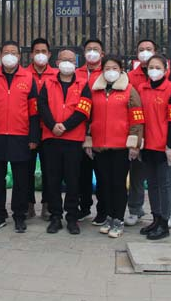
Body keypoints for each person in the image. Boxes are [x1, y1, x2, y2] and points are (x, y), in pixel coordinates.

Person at [0, 41, 41, 233]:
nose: (10, 55)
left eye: (13, 52)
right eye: (6, 52)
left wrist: (33, 137)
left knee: (21, 180)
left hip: (20, 136)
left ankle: (19, 215)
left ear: (19, 56)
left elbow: (34, 110)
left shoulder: (28, 78)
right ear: (0, 56)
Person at [88, 56, 143, 238]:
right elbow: (88, 117)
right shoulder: (95, 91)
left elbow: (137, 119)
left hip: (121, 147)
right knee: (104, 184)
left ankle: (118, 219)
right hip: (100, 146)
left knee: (118, 184)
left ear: (121, 70)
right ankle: (109, 217)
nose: (111, 71)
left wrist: (134, 144)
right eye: (107, 68)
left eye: (114, 68)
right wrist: (88, 141)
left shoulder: (129, 90)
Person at [37, 48, 91, 235]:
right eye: (63, 59)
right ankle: (55, 216)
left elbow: (84, 109)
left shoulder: (83, 84)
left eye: (71, 60)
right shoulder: (48, 82)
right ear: (57, 62)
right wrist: (53, 125)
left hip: (73, 139)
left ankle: (72, 217)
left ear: (76, 63)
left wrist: (65, 126)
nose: (67, 63)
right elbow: (42, 106)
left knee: (73, 180)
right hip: (51, 138)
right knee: (52, 179)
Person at [138, 54, 171, 240]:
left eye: (158, 67)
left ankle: (164, 222)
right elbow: (138, 116)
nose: (154, 70)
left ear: (165, 69)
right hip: (147, 144)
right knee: (152, 184)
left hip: (163, 146)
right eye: (151, 67)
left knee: (164, 184)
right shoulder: (142, 88)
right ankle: (155, 218)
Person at [125, 38, 158, 227]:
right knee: (136, 174)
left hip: (157, 131)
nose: (145, 52)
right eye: (141, 49)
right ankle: (135, 209)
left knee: (158, 176)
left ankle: (160, 212)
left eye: (149, 49)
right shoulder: (130, 76)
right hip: (137, 131)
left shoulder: (164, 74)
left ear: (155, 51)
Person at [75, 38, 107, 225]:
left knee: (101, 172)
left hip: (100, 129)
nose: (92, 52)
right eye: (89, 49)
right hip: (78, 129)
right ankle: (84, 206)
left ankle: (103, 210)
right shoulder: (76, 73)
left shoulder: (107, 73)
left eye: (96, 49)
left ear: (102, 54)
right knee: (82, 173)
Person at [27, 37, 57, 219]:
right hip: (27, 129)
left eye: (43, 51)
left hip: (50, 129)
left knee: (50, 170)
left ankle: (48, 204)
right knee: (26, 169)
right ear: (31, 54)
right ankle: (28, 204)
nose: (40, 55)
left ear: (49, 54)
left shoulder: (57, 75)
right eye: (37, 51)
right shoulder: (23, 74)